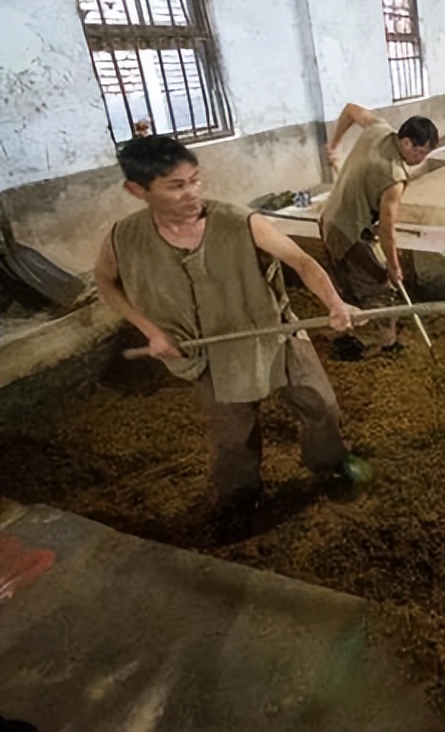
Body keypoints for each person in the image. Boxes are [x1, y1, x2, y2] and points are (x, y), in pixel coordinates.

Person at [94, 135, 367, 534]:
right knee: (232, 436)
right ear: (137, 190)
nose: (192, 193)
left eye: (195, 180)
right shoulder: (125, 238)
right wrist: (150, 330)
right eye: (176, 185)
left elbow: (301, 261)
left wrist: (335, 304)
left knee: (321, 405)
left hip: (274, 334)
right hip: (208, 355)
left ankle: (329, 465)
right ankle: (240, 499)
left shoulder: (240, 222)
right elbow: (105, 282)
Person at [320, 103, 439, 359]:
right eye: (420, 152)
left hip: (329, 219)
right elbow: (387, 230)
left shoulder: (380, 129)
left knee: (346, 281)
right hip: (350, 232)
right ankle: (387, 344)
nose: (421, 160)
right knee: (382, 288)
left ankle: (346, 334)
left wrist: (334, 145)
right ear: (406, 143)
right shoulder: (393, 178)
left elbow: (350, 109)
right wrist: (394, 267)